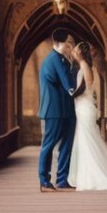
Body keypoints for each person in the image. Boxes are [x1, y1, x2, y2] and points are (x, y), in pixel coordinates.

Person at [68, 42, 107, 191]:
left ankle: (97, 176)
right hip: (82, 108)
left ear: (81, 53)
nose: (74, 52)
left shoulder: (85, 67)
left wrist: (69, 93)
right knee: (85, 141)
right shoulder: (83, 66)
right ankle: (88, 175)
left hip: (85, 108)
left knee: (89, 141)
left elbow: (83, 88)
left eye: (75, 50)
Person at [37, 29, 85, 192]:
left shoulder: (63, 59)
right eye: (69, 43)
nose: (71, 46)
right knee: (48, 145)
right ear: (59, 43)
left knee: (67, 145)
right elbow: (69, 85)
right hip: (53, 111)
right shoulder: (54, 59)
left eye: (72, 43)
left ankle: (62, 179)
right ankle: (44, 180)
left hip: (67, 111)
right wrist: (79, 88)